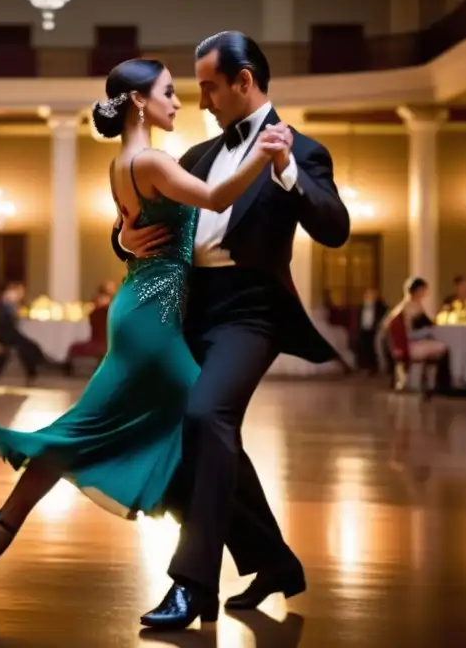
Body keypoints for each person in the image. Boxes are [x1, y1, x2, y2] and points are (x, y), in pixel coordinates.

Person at [0, 57, 291, 604]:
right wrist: (267, 152)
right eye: (167, 91)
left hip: (144, 310)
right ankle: (200, 578)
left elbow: (134, 228)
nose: (179, 101)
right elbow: (213, 198)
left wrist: (122, 240)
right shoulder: (152, 160)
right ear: (138, 101)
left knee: (102, 428)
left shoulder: (124, 163)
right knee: (202, 433)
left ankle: (0, 526)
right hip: (152, 320)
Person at [116, 32, 350, 629]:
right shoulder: (196, 157)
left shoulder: (304, 150)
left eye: (210, 87)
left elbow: (335, 227)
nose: (200, 102)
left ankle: (192, 586)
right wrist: (122, 237)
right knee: (190, 430)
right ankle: (274, 562)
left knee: (206, 417)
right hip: (191, 308)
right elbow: (135, 215)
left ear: (244, 82)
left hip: (252, 310)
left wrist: (287, 170)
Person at [0, 282, 47, 385]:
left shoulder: (11, 303)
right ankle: (32, 372)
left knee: (21, 349)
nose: (20, 295)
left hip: (10, 333)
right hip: (6, 334)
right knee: (25, 346)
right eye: (19, 292)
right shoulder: (5, 302)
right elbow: (6, 320)